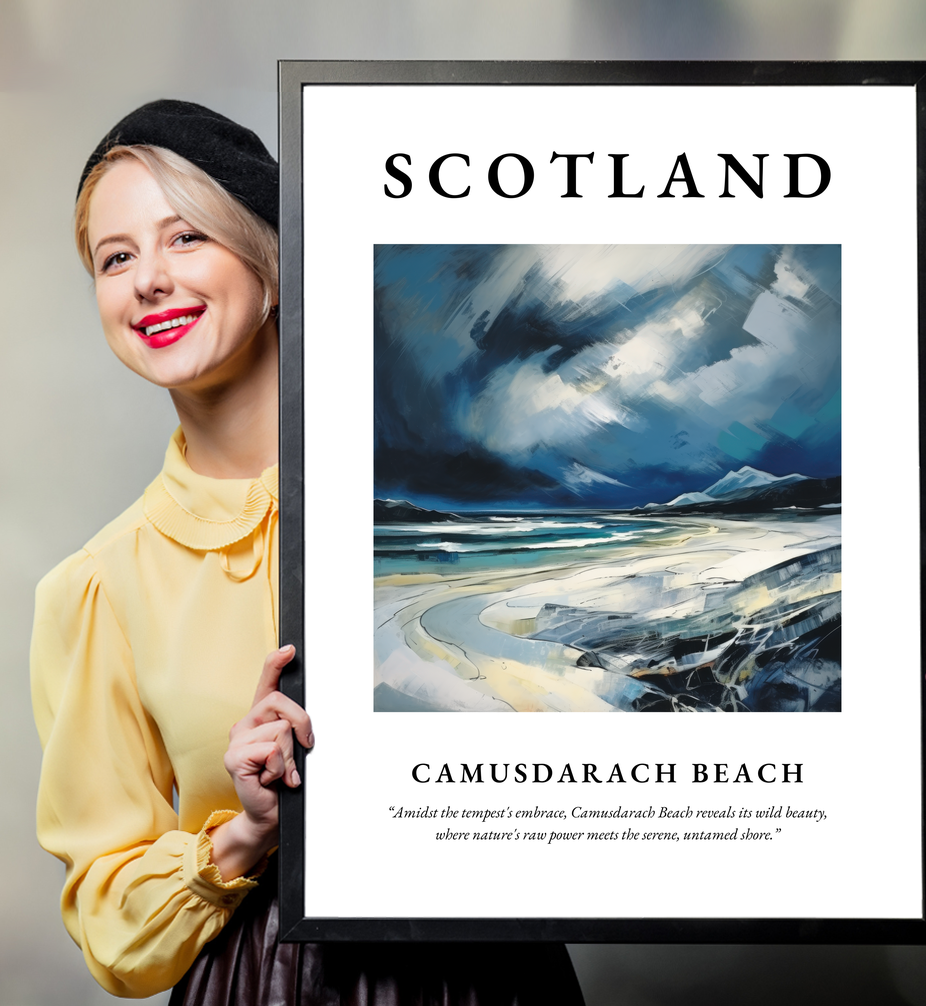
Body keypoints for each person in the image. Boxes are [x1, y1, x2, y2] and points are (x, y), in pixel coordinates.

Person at [30, 100, 585, 1004]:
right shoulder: (97, 587)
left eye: (185, 239)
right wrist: (244, 832)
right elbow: (110, 924)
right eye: (116, 257)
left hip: (493, 973)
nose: (148, 281)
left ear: (274, 265)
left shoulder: (454, 513)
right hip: (264, 981)